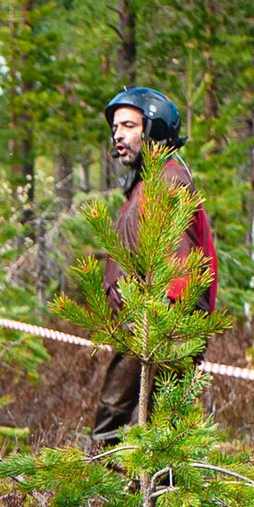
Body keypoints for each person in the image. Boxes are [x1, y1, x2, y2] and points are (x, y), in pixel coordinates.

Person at [91, 86, 218, 446]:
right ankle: (123, 498)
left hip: (160, 329)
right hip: (141, 327)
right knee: (120, 426)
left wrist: (163, 329)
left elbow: (182, 264)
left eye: (128, 125)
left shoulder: (167, 181)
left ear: (154, 129)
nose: (118, 134)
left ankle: (128, 498)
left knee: (137, 431)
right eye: (115, 127)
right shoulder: (144, 185)